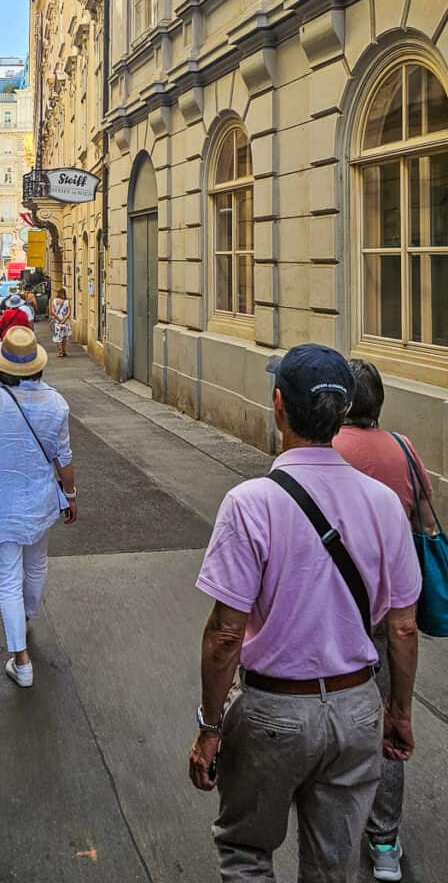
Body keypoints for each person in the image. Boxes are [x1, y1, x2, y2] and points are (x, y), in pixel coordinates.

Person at [188, 344, 421, 883]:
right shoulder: (383, 504)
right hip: (357, 706)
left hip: (273, 709)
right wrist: (400, 712)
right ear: (342, 415)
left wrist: (210, 727)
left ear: (278, 406)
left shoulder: (250, 503)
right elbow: (403, 627)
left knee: (246, 855)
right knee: (332, 867)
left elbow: (226, 633)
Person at [333, 359, 437, 880]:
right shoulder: (404, 449)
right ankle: (385, 844)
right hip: (393, 606)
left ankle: (331, 828)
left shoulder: (327, 451)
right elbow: (424, 517)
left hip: (335, 609)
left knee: (335, 712)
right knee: (392, 724)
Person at [0, 326, 77, 688]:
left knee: (8, 578)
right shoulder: (57, 403)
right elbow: (63, 457)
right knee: (36, 564)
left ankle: (21, 661)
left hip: (2, 503)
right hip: (40, 501)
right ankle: (28, 616)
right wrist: (71, 494)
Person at [49, 288, 72, 358]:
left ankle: (60, 352)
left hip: (57, 321)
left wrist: (59, 318)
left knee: (58, 337)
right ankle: (64, 351)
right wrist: (64, 319)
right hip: (65, 322)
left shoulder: (54, 301)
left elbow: (52, 312)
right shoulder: (67, 301)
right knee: (64, 336)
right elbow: (69, 312)